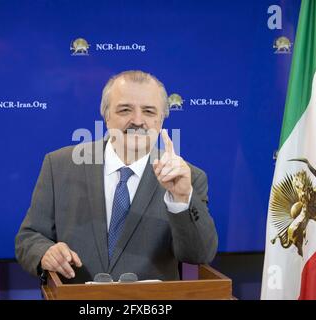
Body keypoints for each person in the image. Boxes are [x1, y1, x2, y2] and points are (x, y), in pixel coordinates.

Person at [15, 70, 218, 283]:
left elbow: (199, 255)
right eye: (125, 110)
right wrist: (45, 253)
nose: (138, 121)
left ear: (161, 120)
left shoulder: (187, 178)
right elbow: (28, 238)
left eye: (149, 111)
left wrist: (181, 200)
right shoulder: (59, 165)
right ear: (106, 115)